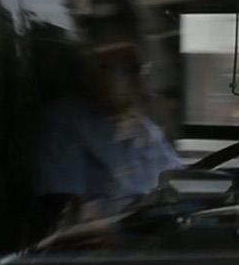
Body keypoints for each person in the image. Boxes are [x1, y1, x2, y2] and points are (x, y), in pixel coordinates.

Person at [34, 31, 181, 223]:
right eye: (126, 69)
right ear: (94, 72)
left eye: (139, 69)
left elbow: (176, 178)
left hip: (151, 230)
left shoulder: (140, 125)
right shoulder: (64, 123)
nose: (137, 80)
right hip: (102, 243)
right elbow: (65, 211)